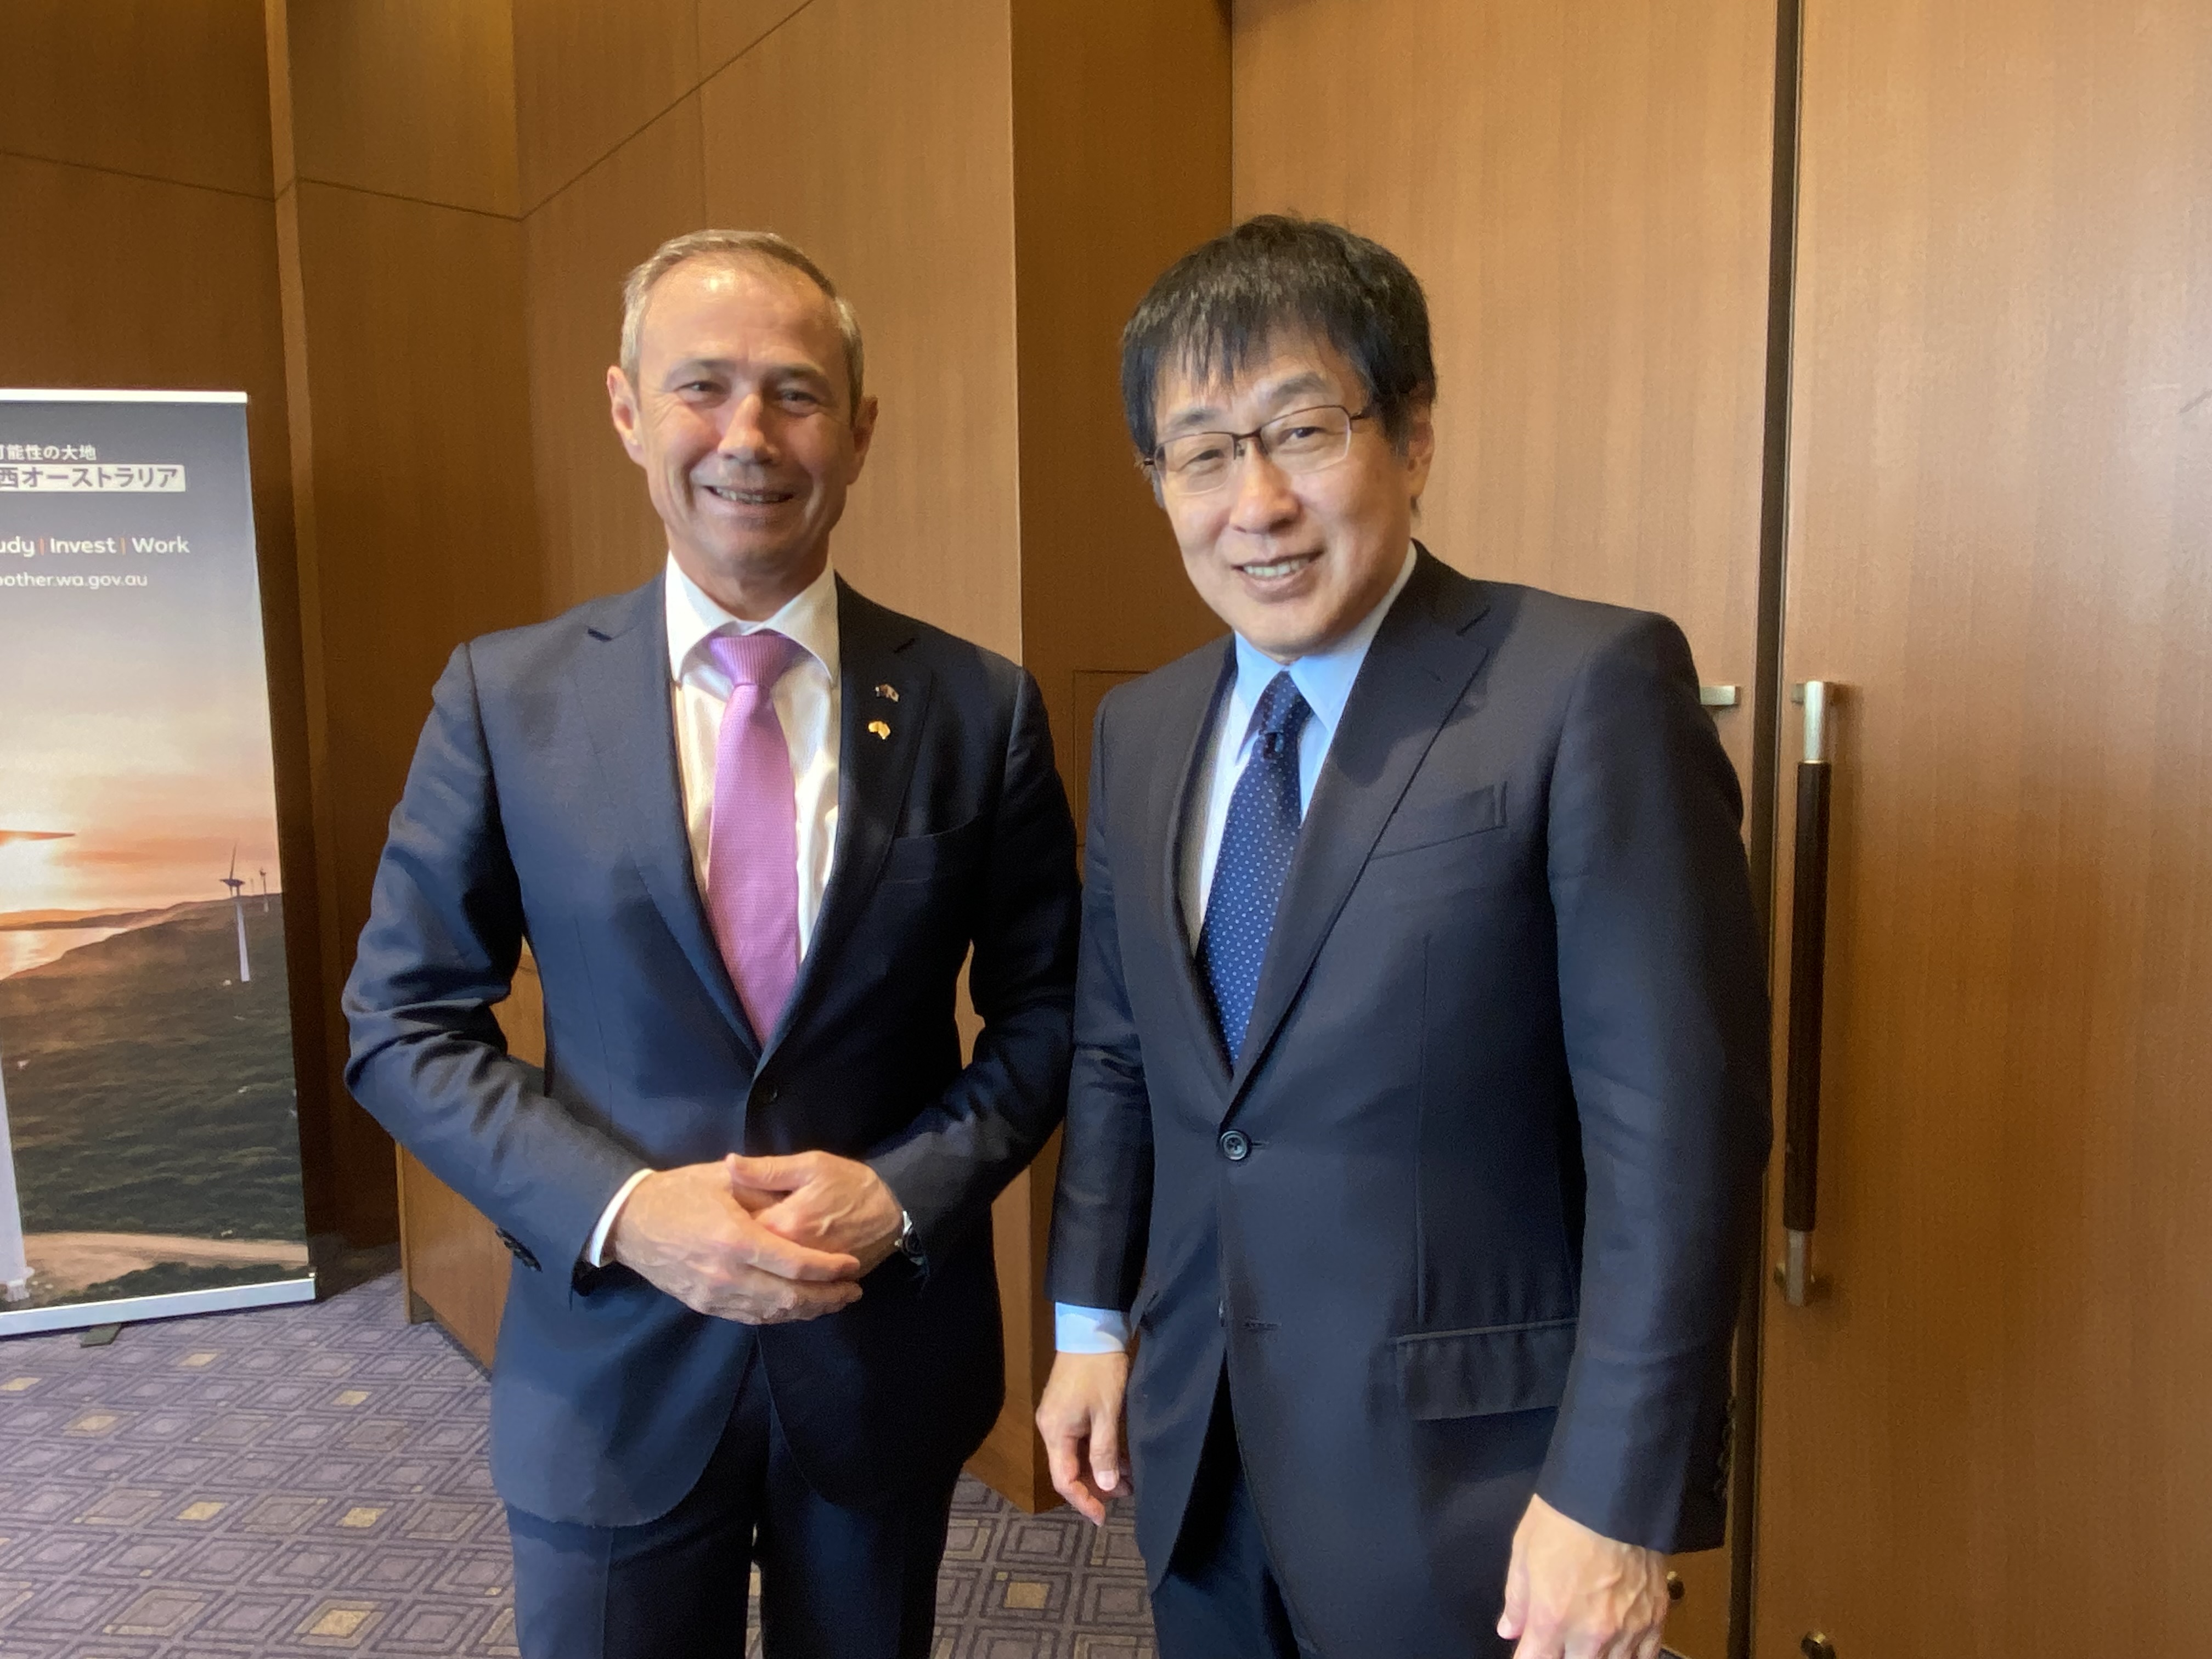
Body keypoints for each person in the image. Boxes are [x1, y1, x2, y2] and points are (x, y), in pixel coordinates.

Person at [1036, 216, 1770, 1659]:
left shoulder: (1585, 686)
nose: (1256, 503)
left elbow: (1676, 1132)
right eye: (1201, 453)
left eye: (1302, 430)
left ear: (1414, 435)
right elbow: (1122, 1057)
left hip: (1476, 1494)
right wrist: (1089, 1322)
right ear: (1160, 485)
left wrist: (1615, 1498)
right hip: (1204, 1453)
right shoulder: (1141, 727)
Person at [345, 229, 1079, 1659]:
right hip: (609, 1366)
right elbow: (402, 1021)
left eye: (796, 394)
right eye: (703, 388)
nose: (749, 436)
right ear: (626, 408)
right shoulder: (508, 698)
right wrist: (628, 1212)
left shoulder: (978, 710)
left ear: (860, 431)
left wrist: (905, 1189)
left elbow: (1054, 1016)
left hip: (878, 1358)